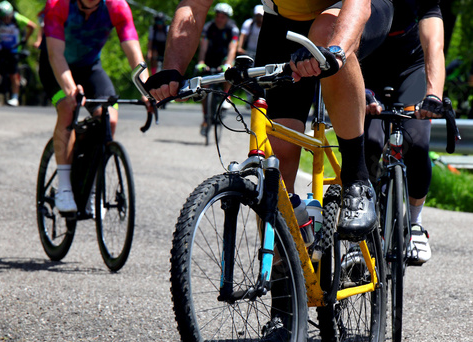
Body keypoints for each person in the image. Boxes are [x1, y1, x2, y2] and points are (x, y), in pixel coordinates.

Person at [145, 0, 393, 242]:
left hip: (351, 11)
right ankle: (282, 267)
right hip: (283, 22)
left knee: (324, 31)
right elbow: (193, 6)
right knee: (278, 164)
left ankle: (357, 180)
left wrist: (336, 52)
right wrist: (172, 70)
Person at [39, 0, 151, 213]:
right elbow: (55, 55)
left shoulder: (117, 7)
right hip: (55, 68)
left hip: (90, 68)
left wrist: (147, 90)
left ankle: (88, 185)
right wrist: (71, 89)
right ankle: (64, 186)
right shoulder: (58, 4)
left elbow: (134, 54)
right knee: (66, 107)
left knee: (109, 118)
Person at [362, 0, 446, 265]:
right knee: (370, 143)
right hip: (366, 68)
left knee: (416, 143)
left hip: (412, 67)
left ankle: (415, 223)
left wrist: (433, 94)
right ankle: (361, 233)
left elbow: (434, 44)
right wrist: (355, 91)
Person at [195, 3, 239, 136]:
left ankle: (227, 96)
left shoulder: (233, 29)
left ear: (227, 18)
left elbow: (233, 48)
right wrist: (201, 62)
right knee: (204, 88)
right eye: (217, 16)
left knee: (229, 72)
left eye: (222, 17)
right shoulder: (208, 27)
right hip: (210, 58)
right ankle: (205, 118)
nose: (219, 19)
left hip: (224, 58)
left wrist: (228, 63)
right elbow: (203, 46)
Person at [0, 1, 37, 107]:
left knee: (13, 74)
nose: (5, 19)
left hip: (14, 49)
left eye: (6, 17)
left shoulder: (18, 18)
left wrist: (24, 39)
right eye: (3, 17)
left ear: (11, 13)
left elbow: (32, 26)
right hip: (3, 47)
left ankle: (15, 97)